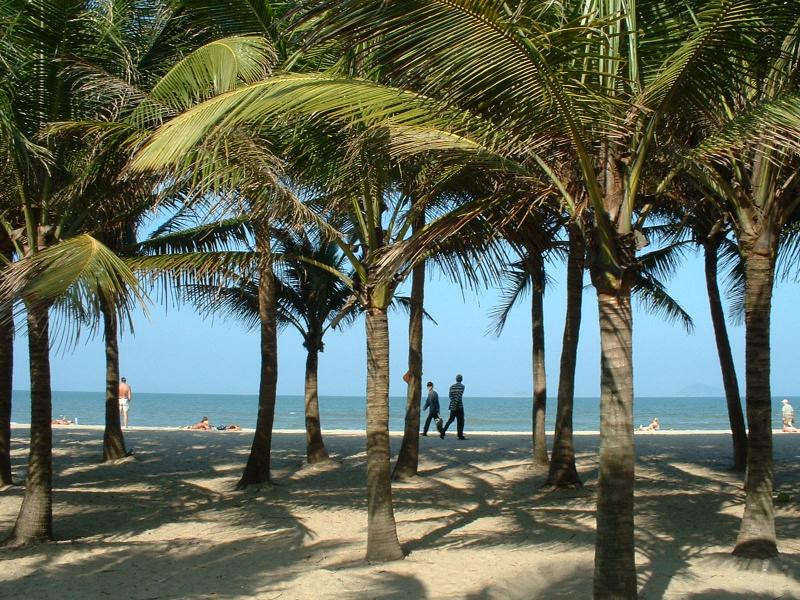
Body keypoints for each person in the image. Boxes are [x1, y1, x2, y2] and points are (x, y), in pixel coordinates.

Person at [442, 374, 467, 440]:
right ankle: (460, 435)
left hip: (452, 406)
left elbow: (450, 396)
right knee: (461, 421)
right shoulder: (462, 386)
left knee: (450, 420)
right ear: (461, 379)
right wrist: (456, 405)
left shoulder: (451, 387)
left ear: (456, 379)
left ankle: (443, 432)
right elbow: (459, 397)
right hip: (459, 406)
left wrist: (453, 403)